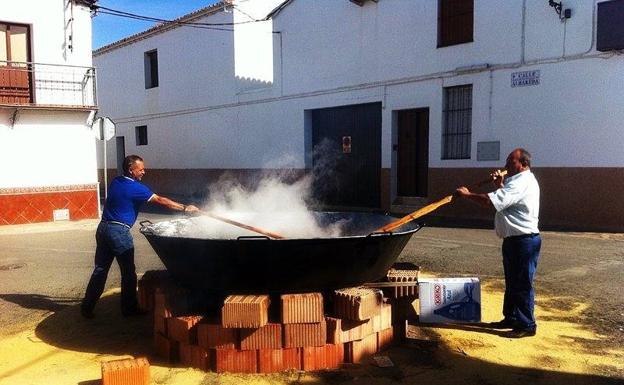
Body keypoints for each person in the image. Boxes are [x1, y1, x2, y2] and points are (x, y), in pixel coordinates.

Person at [81, 155, 199, 318]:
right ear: (131, 170)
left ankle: (87, 308)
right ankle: (129, 310)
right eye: (140, 169)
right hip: (118, 232)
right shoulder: (136, 188)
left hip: (103, 229)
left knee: (100, 270)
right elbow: (160, 200)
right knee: (128, 273)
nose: (144, 171)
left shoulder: (116, 181)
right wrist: (185, 208)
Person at [454, 148, 541, 338]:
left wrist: (467, 195)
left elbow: (491, 202)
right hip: (513, 240)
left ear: (523, 164)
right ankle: (511, 317)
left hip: (524, 240)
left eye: (511, 161)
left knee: (522, 283)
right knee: (512, 282)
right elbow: (508, 201)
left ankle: (527, 325)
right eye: (508, 161)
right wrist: (500, 184)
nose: (506, 165)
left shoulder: (522, 182)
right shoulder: (515, 182)